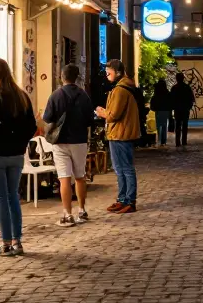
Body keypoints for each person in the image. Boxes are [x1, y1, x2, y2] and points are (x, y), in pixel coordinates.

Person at [0, 58, 37, 256]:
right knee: (13, 196)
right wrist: (20, 143)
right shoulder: (22, 96)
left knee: (0, 199)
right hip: (16, 155)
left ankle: (5, 244)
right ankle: (17, 241)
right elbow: (32, 126)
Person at [43, 63, 95, 227]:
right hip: (79, 141)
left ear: (62, 77)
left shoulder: (55, 95)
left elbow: (48, 118)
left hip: (60, 142)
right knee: (80, 177)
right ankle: (82, 210)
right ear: (77, 77)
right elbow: (89, 121)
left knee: (64, 179)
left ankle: (67, 214)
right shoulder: (84, 96)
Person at [96, 59, 141, 213]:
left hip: (121, 134)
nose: (107, 72)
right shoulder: (122, 88)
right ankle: (122, 199)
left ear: (118, 72)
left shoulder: (120, 90)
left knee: (125, 168)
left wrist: (102, 112)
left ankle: (129, 200)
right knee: (119, 168)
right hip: (118, 134)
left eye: (109, 70)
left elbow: (113, 114)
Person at [170, 72, 195, 147]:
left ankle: (177, 142)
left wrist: (172, 108)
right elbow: (191, 98)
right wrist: (189, 106)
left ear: (176, 79)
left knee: (177, 126)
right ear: (183, 78)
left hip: (177, 109)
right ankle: (184, 141)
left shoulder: (174, 88)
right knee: (184, 125)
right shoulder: (187, 87)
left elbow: (171, 99)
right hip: (185, 109)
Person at [149, 78, 172, 148]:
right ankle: (163, 141)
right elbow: (170, 102)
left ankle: (159, 140)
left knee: (159, 126)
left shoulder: (157, 93)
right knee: (165, 126)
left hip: (158, 111)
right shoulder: (167, 93)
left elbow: (153, 102)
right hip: (165, 111)